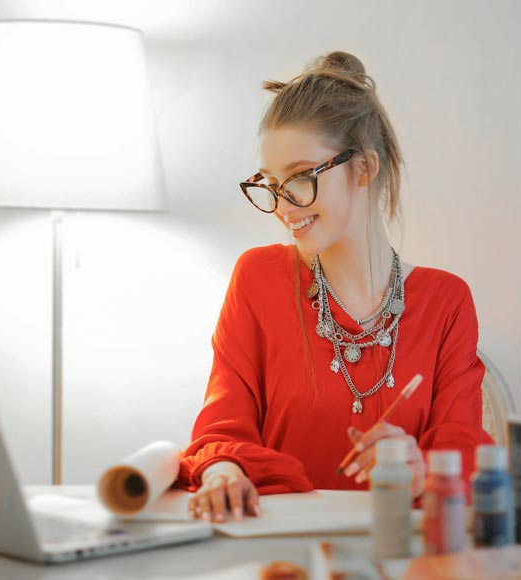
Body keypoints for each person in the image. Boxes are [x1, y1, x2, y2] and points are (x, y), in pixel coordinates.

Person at [175, 51, 494, 524]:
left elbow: (462, 447)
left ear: (363, 168)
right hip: (279, 548)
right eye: (272, 183)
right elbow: (221, 428)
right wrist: (223, 471)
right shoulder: (258, 278)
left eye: (301, 178)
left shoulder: (446, 302)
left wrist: (421, 465)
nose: (284, 206)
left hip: (399, 551)